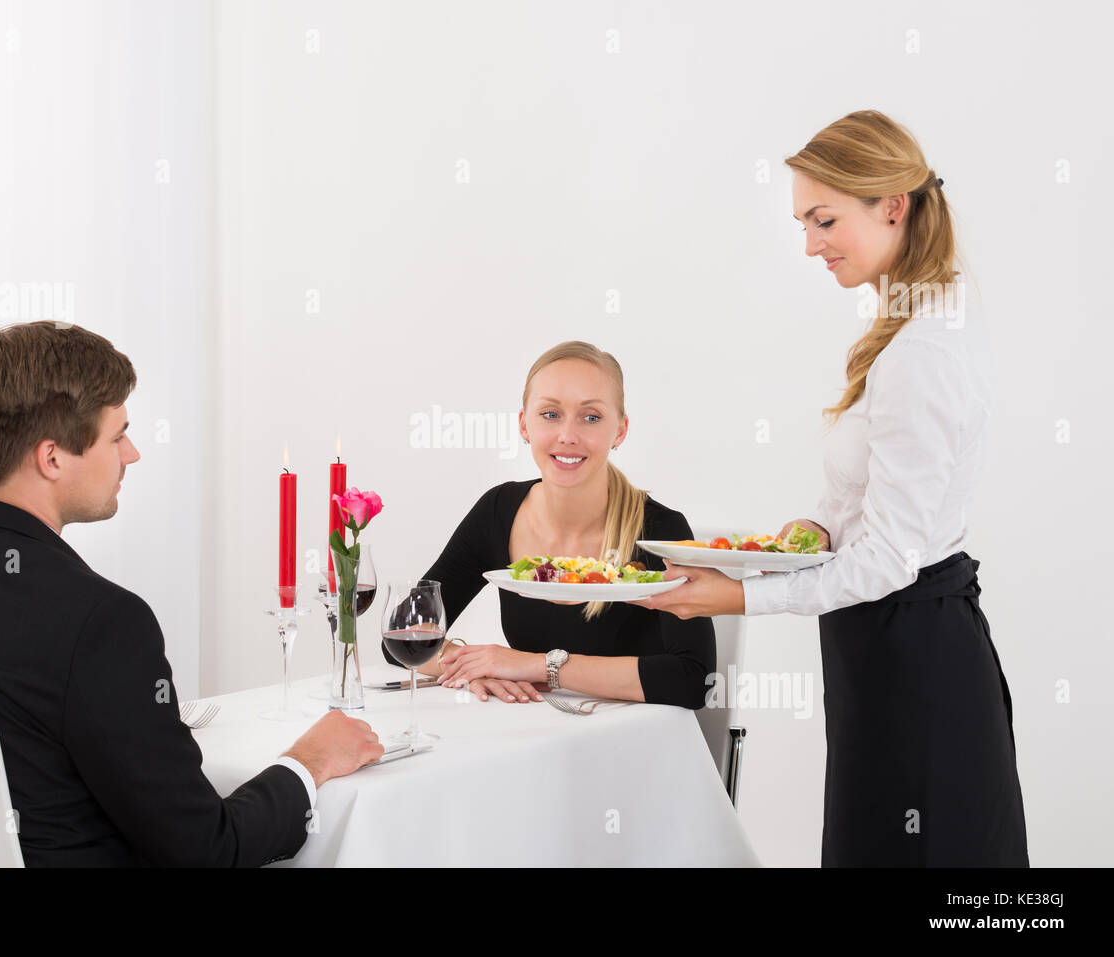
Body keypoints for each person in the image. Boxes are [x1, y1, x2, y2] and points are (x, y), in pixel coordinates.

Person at [0, 321, 383, 867]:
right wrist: (307, 762)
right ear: (52, 458)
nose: (132, 453)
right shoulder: (102, 621)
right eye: (117, 436)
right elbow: (209, 849)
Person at [639, 111, 1028, 867]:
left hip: (916, 660)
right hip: (885, 654)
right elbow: (872, 503)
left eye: (823, 219)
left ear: (893, 205)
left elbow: (888, 558)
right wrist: (817, 528)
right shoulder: (914, 316)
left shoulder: (924, 351)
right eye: (804, 223)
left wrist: (736, 596)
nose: (811, 243)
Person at [390, 341, 714, 708]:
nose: (568, 436)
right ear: (523, 424)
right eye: (550, 414)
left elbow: (695, 680)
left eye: (591, 417)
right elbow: (404, 634)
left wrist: (537, 666)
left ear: (620, 431)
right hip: (539, 737)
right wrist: (473, 665)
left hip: (636, 746)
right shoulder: (498, 511)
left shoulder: (661, 530)